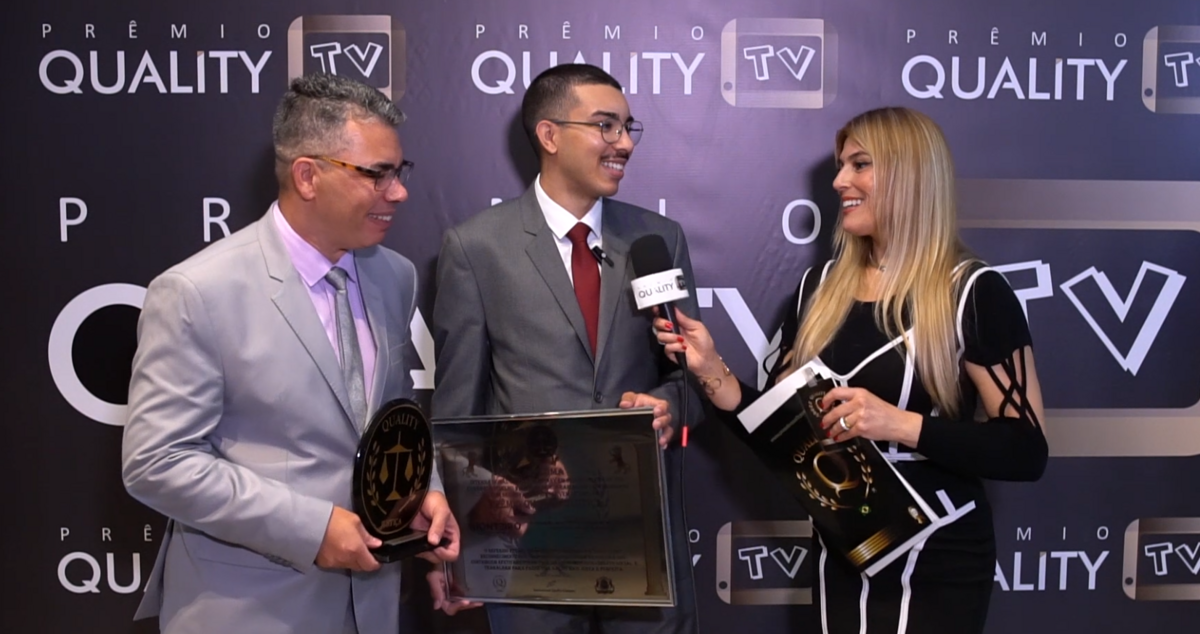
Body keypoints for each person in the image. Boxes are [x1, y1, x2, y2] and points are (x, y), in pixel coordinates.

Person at [655, 106, 1048, 633]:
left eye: (860, 165)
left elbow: (1026, 449)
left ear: (911, 176)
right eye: (842, 165)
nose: (840, 181)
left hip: (937, 559)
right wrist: (712, 371)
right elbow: (778, 431)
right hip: (843, 549)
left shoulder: (972, 293)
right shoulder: (820, 289)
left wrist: (898, 424)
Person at [121, 73, 471, 634]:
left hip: (371, 605)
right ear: (308, 175)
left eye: (398, 172)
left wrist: (421, 495)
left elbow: (392, 420)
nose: (398, 192)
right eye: (376, 174)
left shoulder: (394, 276)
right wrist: (311, 529)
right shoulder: (197, 292)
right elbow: (157, 463)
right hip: (248, 610)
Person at [431, 63, 699, 634]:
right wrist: (466, 545)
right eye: (606, 126)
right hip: (530, 549)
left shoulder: (657, 240)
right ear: (549, 135)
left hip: (639, 541)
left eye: (627, 127)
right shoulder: (477, 248)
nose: (624, 143)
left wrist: (670, 406)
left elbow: (691, 379)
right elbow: (457, 414)